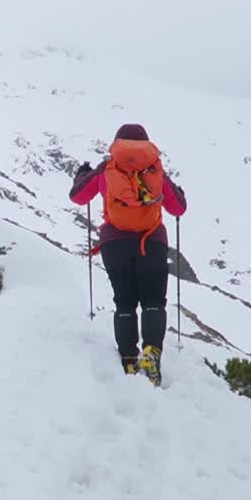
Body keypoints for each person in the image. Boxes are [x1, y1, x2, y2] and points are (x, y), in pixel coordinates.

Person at [69, 123, 187, 386]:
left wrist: (81, 176)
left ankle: (128, 359)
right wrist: (176, 191)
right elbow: (178, 208)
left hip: (115, 244)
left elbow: (77, 197)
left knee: (124, 302)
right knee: (154, 301)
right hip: (153, 242)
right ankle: (152, 353)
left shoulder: (108, 169)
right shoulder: (154, 170)